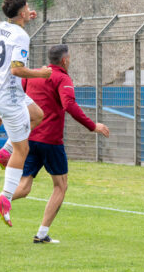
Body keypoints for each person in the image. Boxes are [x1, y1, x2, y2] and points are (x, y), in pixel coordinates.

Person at [6, 44, 109, 243]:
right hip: (51, 141)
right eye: (69, 58)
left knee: (25, 186)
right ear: (64, 60)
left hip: (30, 137)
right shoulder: (62, 78)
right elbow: (69, 104)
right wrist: (92, 126)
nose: (70, 60)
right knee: (61, 186)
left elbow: (19, 98)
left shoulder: (33, 74)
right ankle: (42, 234)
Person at [0, 0, 51, 233]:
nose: (30, 10)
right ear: (21, 13)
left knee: (38, 114)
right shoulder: (22, 36)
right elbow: (18, 70)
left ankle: (4, 152)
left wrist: (24, 17)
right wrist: (41, 73)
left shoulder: (2, 26)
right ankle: (4, 198)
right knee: (24, 150)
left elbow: (13, 28)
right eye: (27, 8)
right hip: (8, 93)